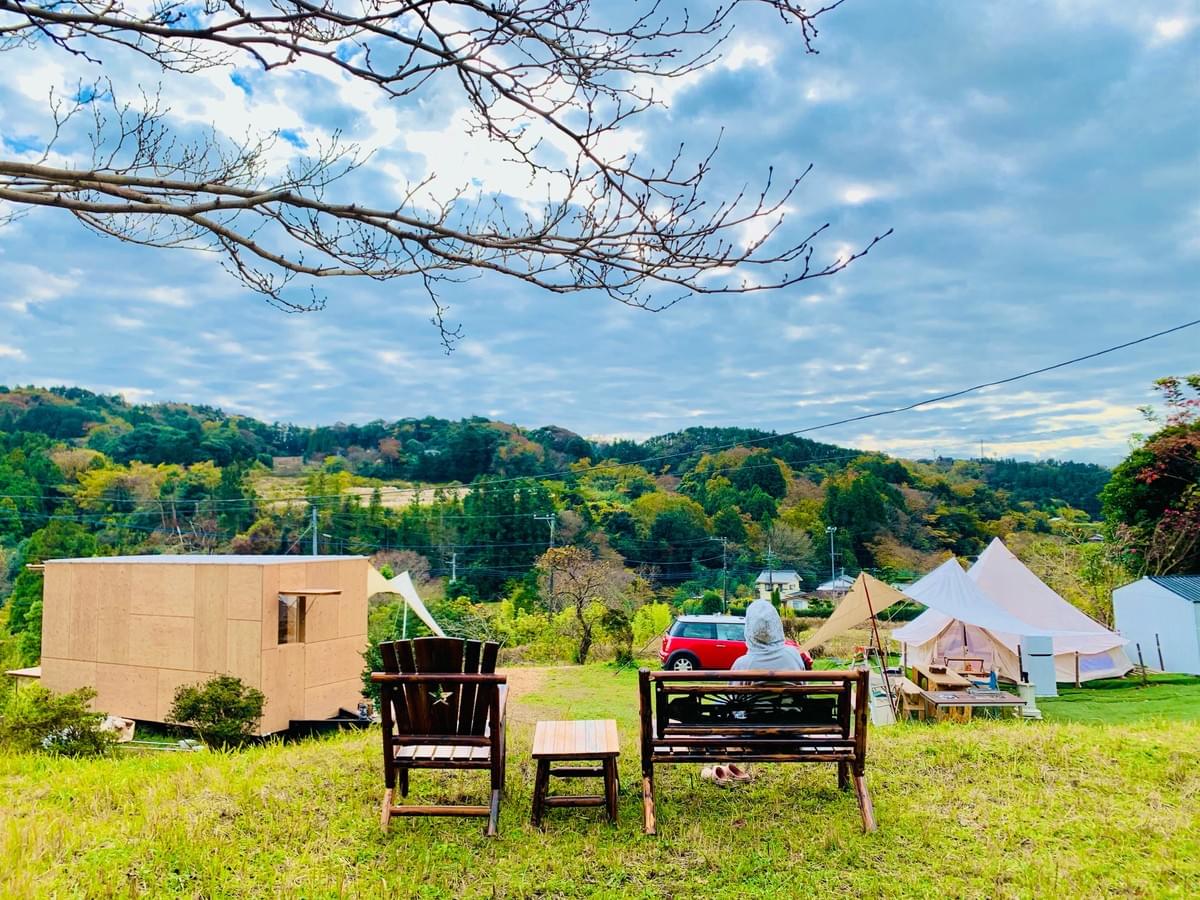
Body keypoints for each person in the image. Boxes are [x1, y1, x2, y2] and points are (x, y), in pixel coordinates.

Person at [702, 599, 809, 787]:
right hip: (792, 735)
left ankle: (718, 771)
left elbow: (731, 703)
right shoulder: (793, 655)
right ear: (777, 626)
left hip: (752, 738)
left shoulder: (743, 664)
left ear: (749, 630)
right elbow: (803, 694)